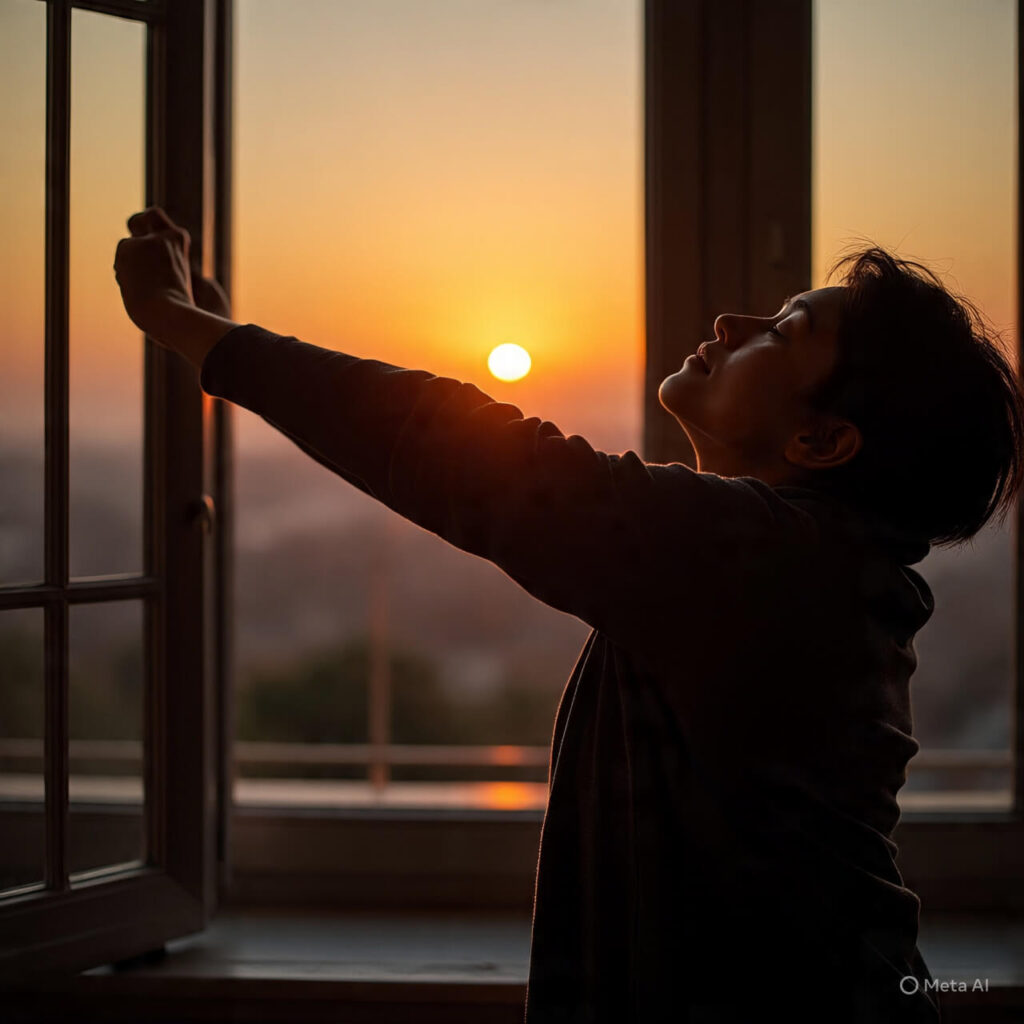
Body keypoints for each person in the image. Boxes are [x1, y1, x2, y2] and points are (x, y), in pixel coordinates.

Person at [114, 206, 1024, 1022]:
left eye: (783, 333)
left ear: (822, 441)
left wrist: (195, 330)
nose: (731, 323)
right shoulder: (808, 569)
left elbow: (463, 453)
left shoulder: (764, 561)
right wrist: (222, 343)